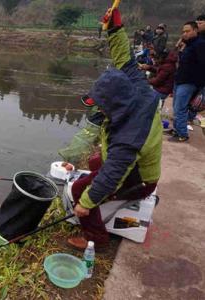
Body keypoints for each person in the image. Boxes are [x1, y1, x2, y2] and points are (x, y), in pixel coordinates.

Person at [67, 8, 162, 250]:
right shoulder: (138, 90)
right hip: (138, 167)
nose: (98, 110)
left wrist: (86, 204)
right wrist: (114, 29)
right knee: (97, 163)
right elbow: (126, 60)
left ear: (113, 104)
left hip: (140, 180)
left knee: (80, 189)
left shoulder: (128, 137)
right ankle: (95, 213)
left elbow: (112, 176)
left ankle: (96, 239)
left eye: (101, 105)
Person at [165, 21, 205, 142]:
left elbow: (203, 64)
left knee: (180, 108)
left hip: (189, 81)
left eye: (187, 31)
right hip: (180, 80)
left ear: (195, 30)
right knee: (176, 107)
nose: (185, 34)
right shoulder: (189, 44)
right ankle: (176, 129)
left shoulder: (200, 45)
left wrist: (199, 84)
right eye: (183, 31)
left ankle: (182, 134)